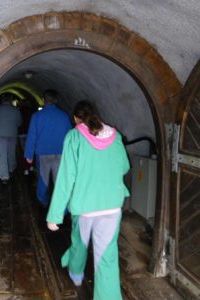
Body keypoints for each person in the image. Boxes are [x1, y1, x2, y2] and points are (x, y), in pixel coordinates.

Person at [46, 101, 130, 300]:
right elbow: (125, 166)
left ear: (76, 119)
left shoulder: (74, 136)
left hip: (85, 206)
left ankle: (76, 275)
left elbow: (66, 178)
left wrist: (55, 215)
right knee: (107, 258)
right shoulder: (115, 136)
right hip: (111, 206)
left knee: (80, 243)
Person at [24, 89, 72, 206]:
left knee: (43, 180)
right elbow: (70, 136)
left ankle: (43, 203)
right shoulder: (64, 116)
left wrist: (28, 155)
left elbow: (31, 136)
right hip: (61, 153)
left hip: (43, 154)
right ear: (56, 100)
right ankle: (63, 208)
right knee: (59, 181)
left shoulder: (37, 116)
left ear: (44, 100)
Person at [0, 93, 22, 184]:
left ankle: (4, 176)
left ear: (2, 100)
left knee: (2, 154)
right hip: (12, 133)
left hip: (0, 134)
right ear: (10, 100)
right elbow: (19, 122)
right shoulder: (15, 110)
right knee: (11, 152)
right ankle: (11, 169)